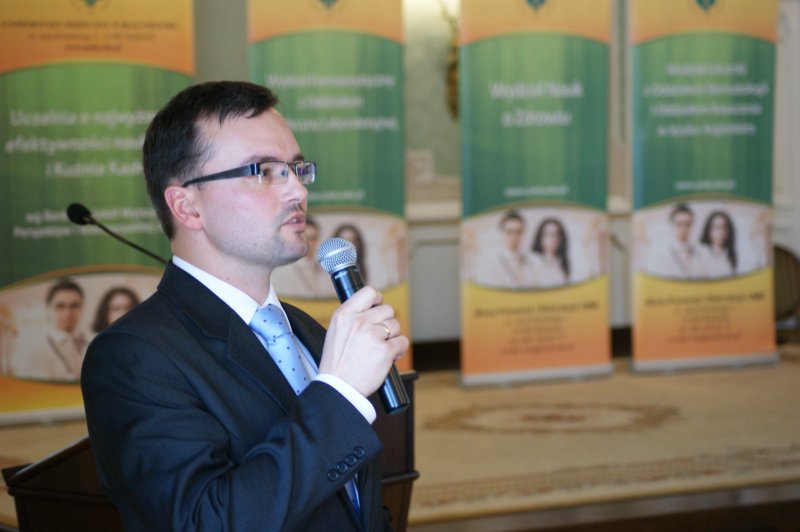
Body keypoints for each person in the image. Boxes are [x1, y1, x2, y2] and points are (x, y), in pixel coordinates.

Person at [80, 81, 408, 531]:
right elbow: (208, 522)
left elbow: (355, 506)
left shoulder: (307, 331)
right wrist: (341, 395)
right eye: (263, 171)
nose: (297, 191)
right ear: (187, 207)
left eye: (296, 169)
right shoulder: (133, 358)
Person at [11, 279, 87, 381]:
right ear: (48, 309)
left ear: (82, 308)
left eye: (74, 306)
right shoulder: (37, 349)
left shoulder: (86, 342)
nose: (68, 313)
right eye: (60, 306)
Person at [271, 216, 336, 298]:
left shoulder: (324, 269)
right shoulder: (285, 270)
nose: (309, 243)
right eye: (305, 237)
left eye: (313, 238)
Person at [474, 210, 536, 288]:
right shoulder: (490, 262)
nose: (514, 236)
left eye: (518, 232)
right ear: (501, 233)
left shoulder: (530, 262)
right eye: (509, 232)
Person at [646, 202, 703, 279]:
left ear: (692, 225)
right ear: (671, 225)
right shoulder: (661, 252)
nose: (684, 229)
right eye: (679, 224)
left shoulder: (698, 253)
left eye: (687, 224)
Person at [530, 217, 569, 287]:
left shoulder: (561, 262)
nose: (554, 238)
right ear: (541, 238)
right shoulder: (533, 261)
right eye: (549, 234)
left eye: (557, 234)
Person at [698, 210, 737, 278]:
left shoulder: (729, 254)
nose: (721, 232)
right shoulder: (702, 252)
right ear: (709, 230)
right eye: (717, 227)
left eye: (724, 228)